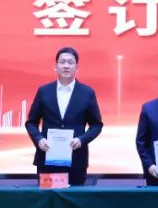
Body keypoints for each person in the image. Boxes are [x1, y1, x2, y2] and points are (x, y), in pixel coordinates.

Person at [25, 47, 103, 186]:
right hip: (48, 159)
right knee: (49, 196)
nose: (66, 66)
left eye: (70, 62)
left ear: (77, 67)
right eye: (62, 62)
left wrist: (82, 140)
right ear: (55, 67)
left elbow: (97, 125)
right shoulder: (44, 91)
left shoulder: (87, 93)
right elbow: (31, 122)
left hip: (76, 160)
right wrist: (39, 139)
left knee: (74, 198)